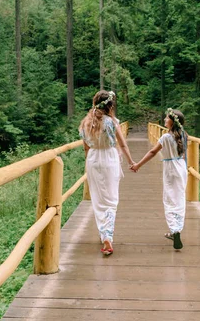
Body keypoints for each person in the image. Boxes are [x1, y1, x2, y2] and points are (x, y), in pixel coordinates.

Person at [79, 90, 135, 256]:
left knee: (98, 199)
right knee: (111, 199)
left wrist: (89, 163)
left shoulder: (86, 123)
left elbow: (86, 147)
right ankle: (107, 236)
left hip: (93, 159)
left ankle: (104, 232)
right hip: (109, 158)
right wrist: (132, 162)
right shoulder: (112, 122)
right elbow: (123, 145)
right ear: (110, 106)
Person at [130, 108, 188, 250]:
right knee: (179, 198)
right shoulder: (184, 135)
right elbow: (184, 154)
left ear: (172, 121)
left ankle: (174, 230)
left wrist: (138, 165)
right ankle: (178, 228)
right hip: (181, 167)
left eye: (166, 118)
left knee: (169, 199)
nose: (164, 120)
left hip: (170, 168)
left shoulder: (166, 137)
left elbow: (152, 152)